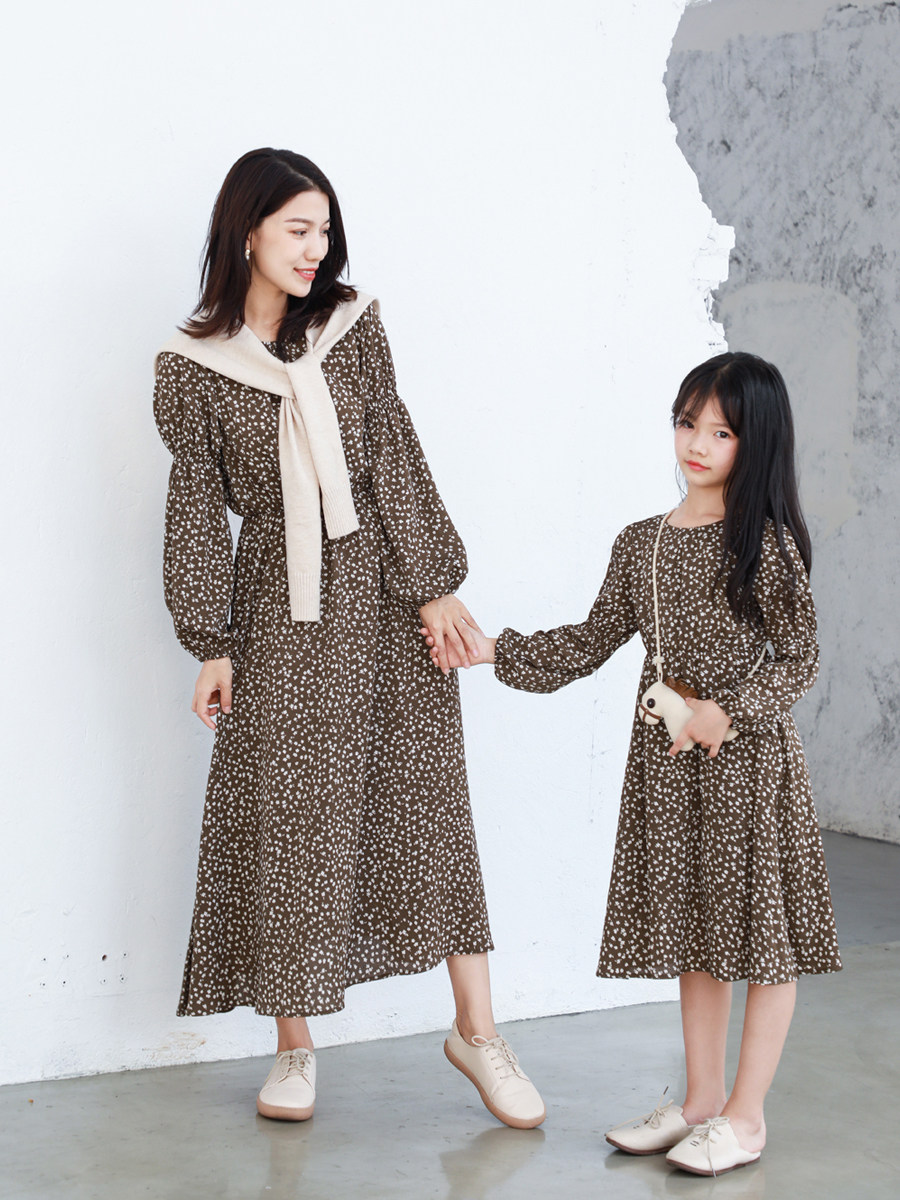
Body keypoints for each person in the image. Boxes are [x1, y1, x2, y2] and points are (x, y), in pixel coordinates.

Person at [153, 147, 544, 1128]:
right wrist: (210, 642)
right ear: (246, 230)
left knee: (428, 802)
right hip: (279, 612)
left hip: (383, 595)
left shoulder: (352, 328)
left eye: (324, 230)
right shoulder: (193, 368)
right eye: (298, 228)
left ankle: (479, 1032)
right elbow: (196, 512)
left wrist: (434, 585)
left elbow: (394, 454)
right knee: (293, 819)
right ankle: (293, 1047)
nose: (315, 248)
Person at [424, 352, 841, 1174]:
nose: (697, 444)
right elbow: (588, 643)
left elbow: (800, 658)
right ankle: (700, 1103)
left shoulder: (765, 544)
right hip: (669, 773)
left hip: (750, 772)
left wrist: (728, 711)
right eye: (688, 424)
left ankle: (747, 1119)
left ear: (756, 442)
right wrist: (493, 650)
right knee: (697, 937)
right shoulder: (641, 543)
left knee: (764, 943)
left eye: (721, 432)